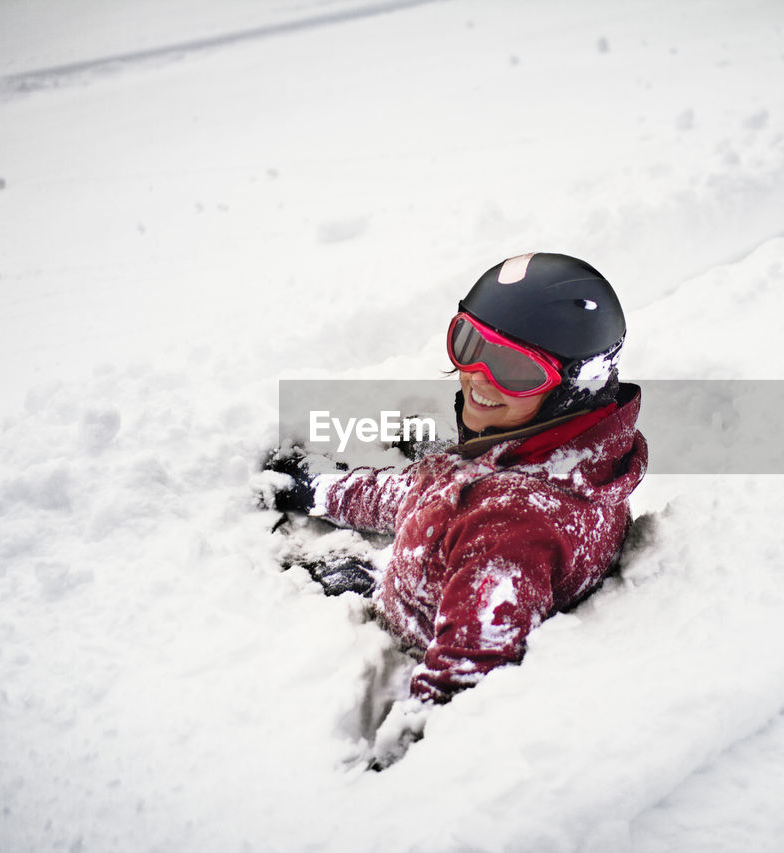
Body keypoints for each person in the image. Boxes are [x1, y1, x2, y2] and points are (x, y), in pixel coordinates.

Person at [260, 252, 648, 765]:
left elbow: (465, 681)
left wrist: (397, 763)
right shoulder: (558, 452)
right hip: (447, 565)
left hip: (426, 620)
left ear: (573, 385)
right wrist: (321, 493)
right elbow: (424, 497)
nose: (479, 379)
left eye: (515, 369)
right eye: (470, 343)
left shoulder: (508, 527)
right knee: (439, 471)